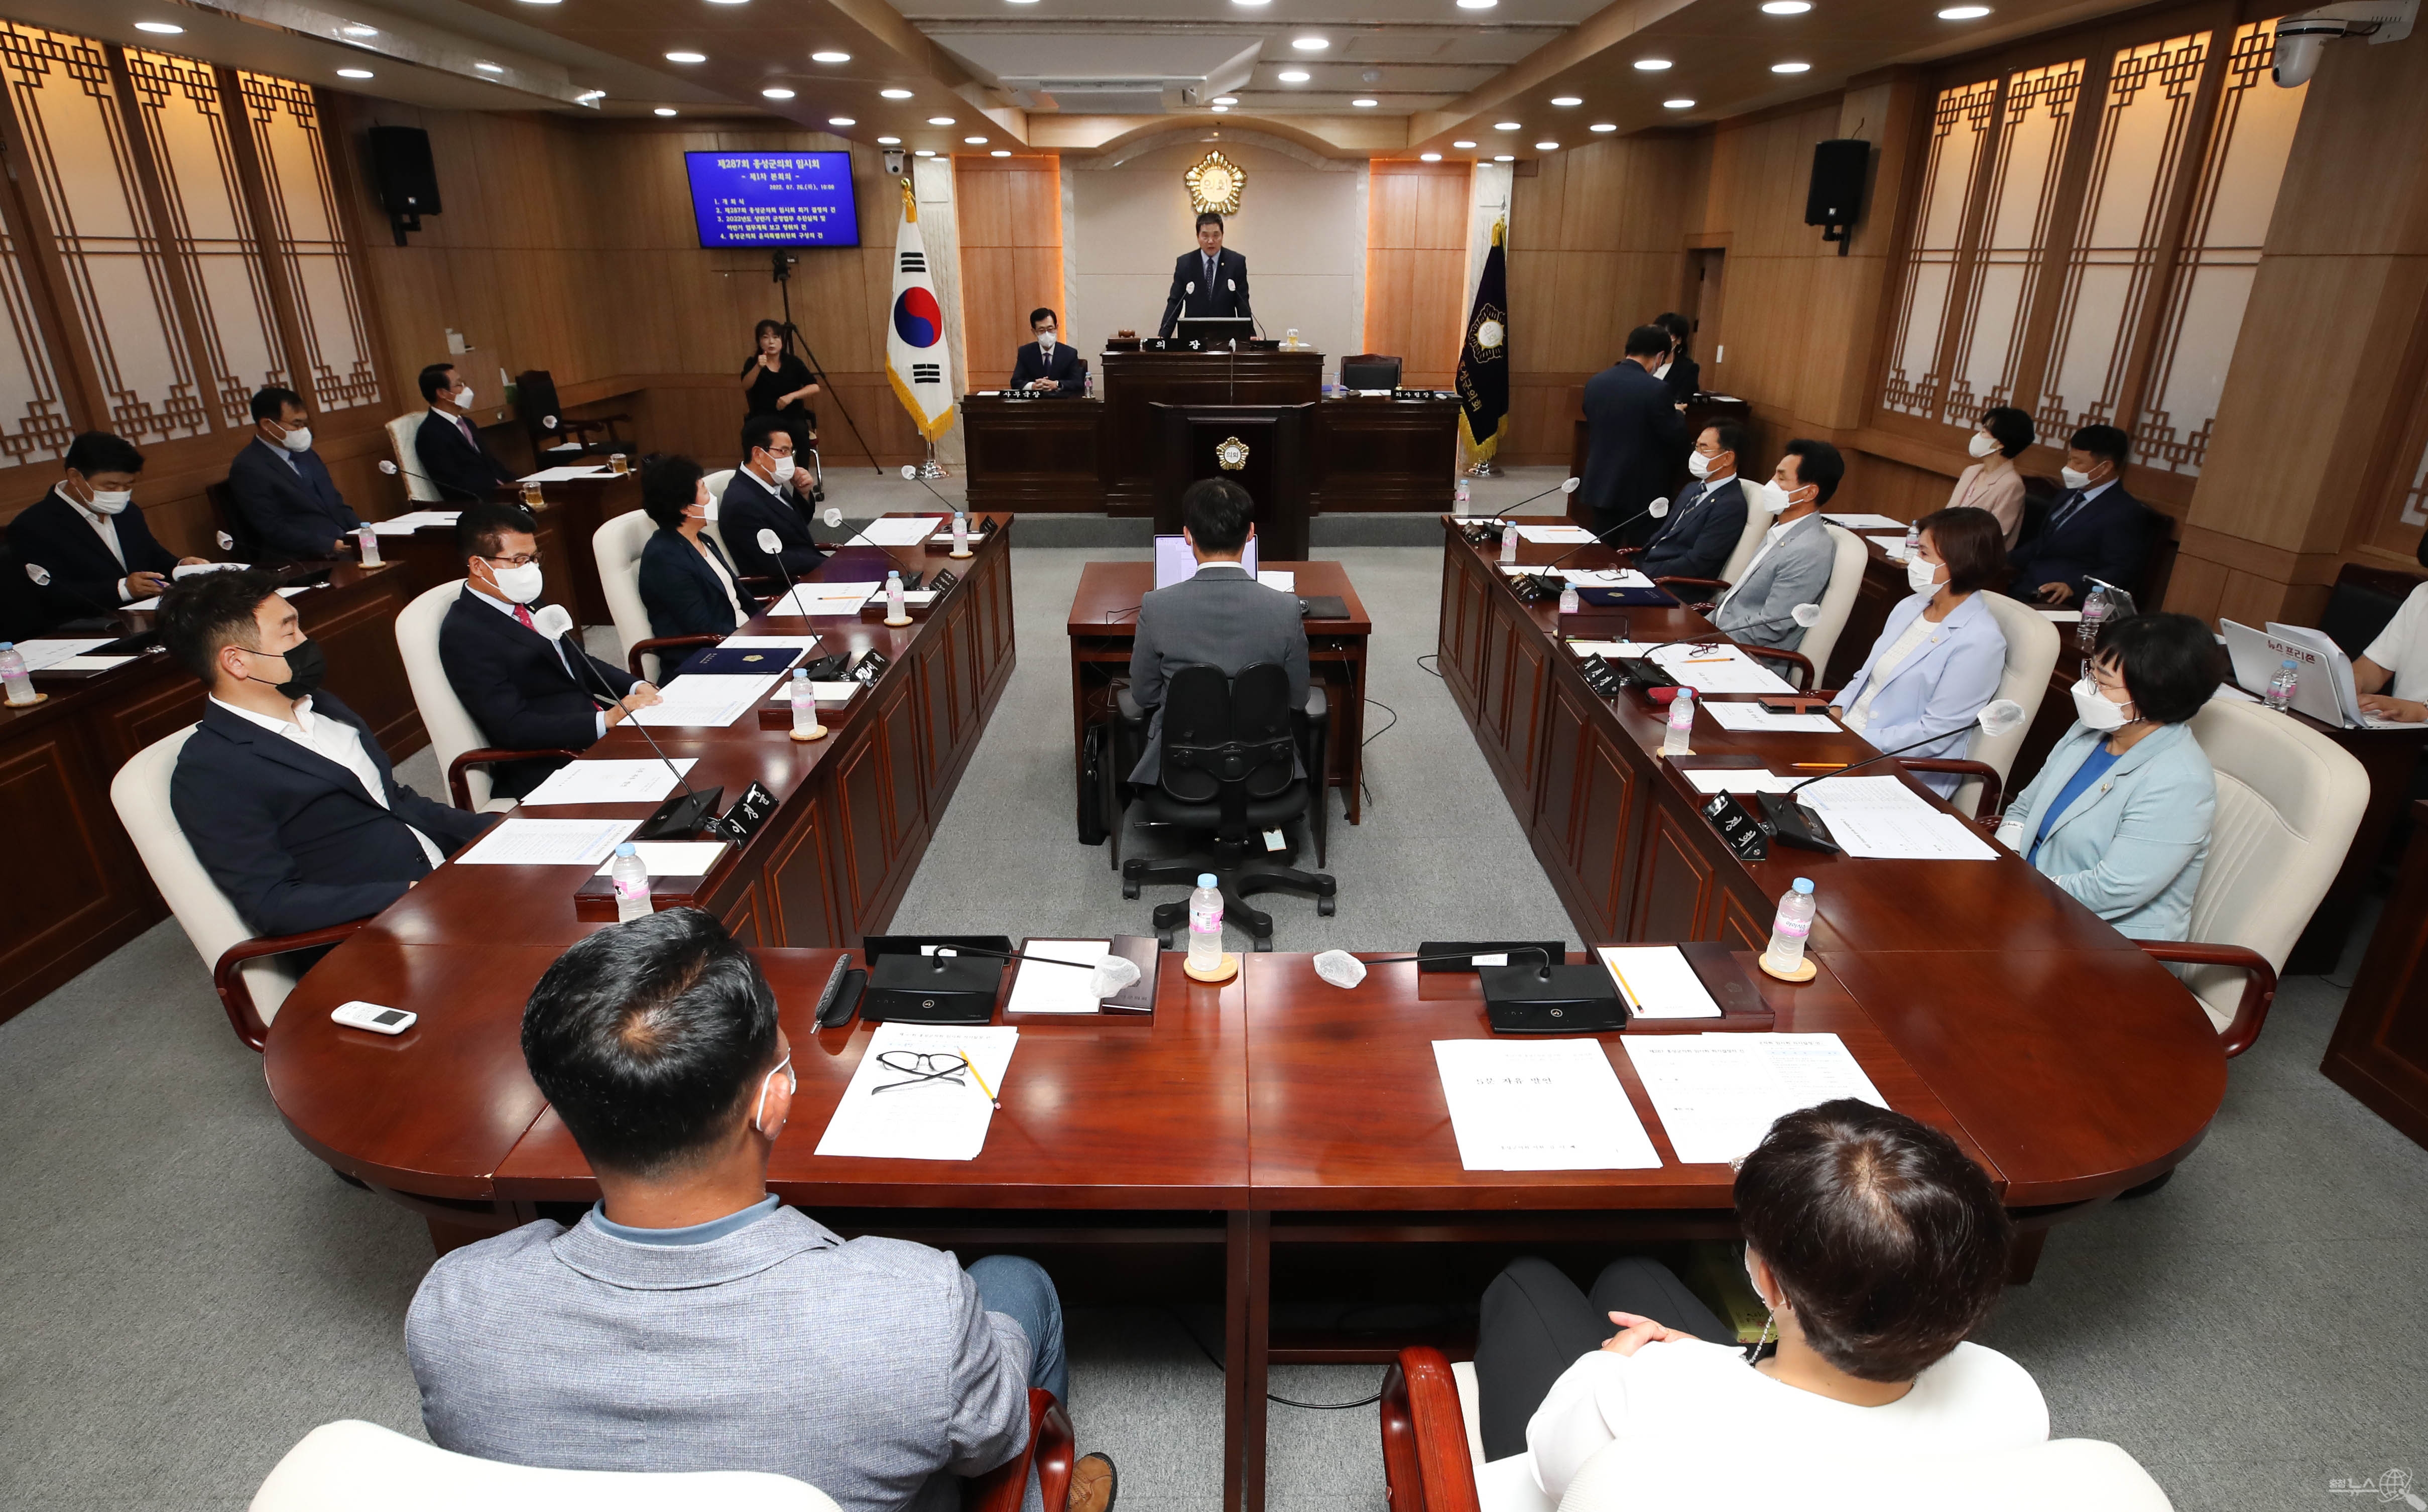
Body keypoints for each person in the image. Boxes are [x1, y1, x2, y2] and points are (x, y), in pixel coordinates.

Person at [407, 909, 1119, 1512]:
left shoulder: (456, 1305)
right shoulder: (916, 1308)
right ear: (773, 1099)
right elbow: (992, 1438)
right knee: (1015, 1282)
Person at [1472, 1100, 2043, 1506]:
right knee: (1634, 1273)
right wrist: (1712, 1359)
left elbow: (1553, 1470)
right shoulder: (2009, 1394)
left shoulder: (1648, 1393)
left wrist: (1608, 1365)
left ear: (1770, 1281)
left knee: (1528, 1281)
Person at [160, 569, 493, 937]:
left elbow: (393, 801)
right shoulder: (210, 771)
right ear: (236, 661)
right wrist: (409, 894)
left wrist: (500, 830)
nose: (307, 641)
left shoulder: (321, 705)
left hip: (447, 881)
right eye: (289, 633)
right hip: (382, 930)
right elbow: (272, 904)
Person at [1997, 611, 2217, 941]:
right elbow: (2023, 808)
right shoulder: (2089, 731)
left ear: (2153, 695)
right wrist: (2001, 868)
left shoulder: (2180, 781)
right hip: (2031, 906)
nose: (2088, 688)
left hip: (2104, 941)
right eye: (2092, 672)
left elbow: (2113, 889)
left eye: (2104, 682)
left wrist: (2021, 891)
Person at [438, 501, 661, 801]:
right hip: (552, 760)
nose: (530, 569)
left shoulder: (526, 601)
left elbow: (576, 662)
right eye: (519, 560)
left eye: (534, 558)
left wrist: (636, 686)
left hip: (595, 731)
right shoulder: (465, 633)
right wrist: (605, 721)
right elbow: (512, 727)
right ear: (478, 566)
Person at [1126, 477, 1307, 784]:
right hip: (1265, 768)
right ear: (1251, 533)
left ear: (1187, 535)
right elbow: (1298, 699)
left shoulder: (1156, 607)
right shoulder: (1286, 609)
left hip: (1180, 769)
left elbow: (1144, 696)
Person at [1829, 507, 2010, 797]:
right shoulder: (1910, 606)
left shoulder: (1980, 641)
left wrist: (1855, 738)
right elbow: (1866, 677)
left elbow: (1934, 735)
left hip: (1898, 770)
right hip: (1847, 741)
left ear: (1959, 562)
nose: (1914, 561)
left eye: (1924, 553)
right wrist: (1834, 712)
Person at [8, 432, 206, 619]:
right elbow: (52, 594)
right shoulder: (34, 526)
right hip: (89, 627)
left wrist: (181, 567)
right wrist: (124, 589)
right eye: (110, 486)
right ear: (75, 477)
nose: (120, 494)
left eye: (128, 485)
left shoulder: (128, 512)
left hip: (146, 616)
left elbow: (153, 557)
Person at [1711, 438, 1843, 652]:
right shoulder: (1782, 530)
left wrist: (1704, 639)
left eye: (1781, 478)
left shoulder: (1809, 550)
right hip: (1720, 636)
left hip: (1749, 655)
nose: (1770, 484)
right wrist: (1696, 629)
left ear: (1809, 493)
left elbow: (1771, 626)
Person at [2006, 424, 2149, 607]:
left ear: (2105, 467)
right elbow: (2044, 542)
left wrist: (2074, 588)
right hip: (2024, 583)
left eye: (2077, 462)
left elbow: (2120, 570)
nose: (2069, 467)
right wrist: (2001, 560)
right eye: (2069, 459)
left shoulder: (2125, 512)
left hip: (2059, 600)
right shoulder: (2068, 493)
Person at [224, 386, 362, 561]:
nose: (303, 431)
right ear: (267, 425)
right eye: (296, 425)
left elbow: (335, 502)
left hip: (343, 544)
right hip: (304, 557)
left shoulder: (306, 453)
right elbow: (273, 528)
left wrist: (364, 532)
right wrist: (331, 546)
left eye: (305, 424)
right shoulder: (248, 467)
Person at [1578, 326, 1688, 546]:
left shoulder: (1596, 382)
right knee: (1639, 552)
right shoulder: (1657, 389)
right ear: (1660, 356)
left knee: (1600, 550)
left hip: (1601, 482)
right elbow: (1673, 435)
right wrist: (1677, 414)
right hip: (1641, 489)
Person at [637, 453, 758, 643]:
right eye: (705, 491)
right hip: (712, 648)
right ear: (685, 508)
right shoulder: (663, 558)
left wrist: (768, 625)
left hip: (742, 633)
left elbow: (738, 599)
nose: (712, 498)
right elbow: (701, 627)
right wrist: (754, 638)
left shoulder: (703, 539)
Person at [1635, 422, 1751, 581]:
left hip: (1676, 584)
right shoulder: (1692, 488)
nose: (1697, 454)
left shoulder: (1731, 505)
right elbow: (1665, 536)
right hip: (1650, 569)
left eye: (1704, 449)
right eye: (1696, 447)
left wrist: (1645, 572)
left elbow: (1697, 563)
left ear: (1727, 458)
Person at [721, 414, 828, 585]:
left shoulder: (768, 480)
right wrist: (828, 564)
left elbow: (794, 527)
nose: (789, 459)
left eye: (791, 451)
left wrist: (803, 494)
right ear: (758, 455)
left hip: (806, 570)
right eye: (783, 451)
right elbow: (773, 561)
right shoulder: (742, 504)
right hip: (786, 587)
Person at [2353, 530, 2428, 724]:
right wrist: (2353, 680)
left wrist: (2422, 711)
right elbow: (2378, 666)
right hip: (2398, 732)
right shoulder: (2422, 594)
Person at [415, 363, 518, 502]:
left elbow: (491, 463)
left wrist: (518, 484)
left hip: (503, 494)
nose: (466, 390)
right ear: (442, 393)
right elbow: (453, 484)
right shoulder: (430, 434)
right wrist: (499, 496)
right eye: (459, 385)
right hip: (480, 503)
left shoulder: (468, 423)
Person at [1948, 406, 2033, 548]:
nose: (1977, 436)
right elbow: (1947, 515)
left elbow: (1994, 536)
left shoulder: (2012, 485)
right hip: (1946, 545)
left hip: (1972, 554)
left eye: (1984, 432)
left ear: (2000, 444)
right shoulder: (1971, 471)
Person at [1157, 211, 1251, 338]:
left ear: (1223, 235)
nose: (1211, 241)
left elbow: (1242, 303)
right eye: (1205, 236)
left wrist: (1250, 335)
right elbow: (1175, 303)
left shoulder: (1236, 263)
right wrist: (1163, 336)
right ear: (1198, 237)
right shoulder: (1185, 263)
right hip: (1193, 336)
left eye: (1216, 235)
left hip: (1226, 336)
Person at [741, 319, 819, 452]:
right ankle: (758, 465)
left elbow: (814, 387)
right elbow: (746, 386)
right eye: (766, 337)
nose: (771, 342)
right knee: (750, 432)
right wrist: (758, 367)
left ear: (782, 341)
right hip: (763, 416)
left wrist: (791, 396)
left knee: (800, 432)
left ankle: (801, 466)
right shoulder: (753, 363)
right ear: (759, 341)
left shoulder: (793, 363)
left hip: (792, 416)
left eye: (776, 337)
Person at [1011, 307, 1085, 396]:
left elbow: (1078, 383)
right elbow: (1015, 382)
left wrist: (1056, 384)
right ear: (1034, 332)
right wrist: (1033, 386)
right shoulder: (1025, 352)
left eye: (1050, 329)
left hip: (1061, 402)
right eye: (1042, 330)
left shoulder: (1070, 353)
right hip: (1035, 402)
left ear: (1057, 328)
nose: (1047, 334)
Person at [1650, 311, 1699, 407]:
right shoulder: (1645, 360)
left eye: (1667, 335)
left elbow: (1683, 399)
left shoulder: (1688, 368)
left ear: (1679, 340)